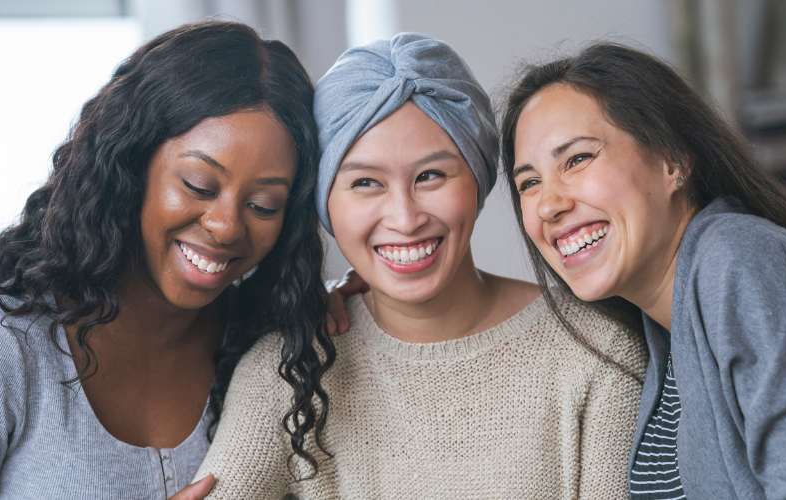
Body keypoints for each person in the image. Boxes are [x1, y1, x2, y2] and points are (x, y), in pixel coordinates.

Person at [0, 22, 348, 500]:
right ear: (132, 165)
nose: (227, 226)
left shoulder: (274, 351)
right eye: (197, 185)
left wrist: (366, 302)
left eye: (262, 206)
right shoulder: (4, 345)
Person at [194, 33, 647, 499]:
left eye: (430, 175)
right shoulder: (288, 368)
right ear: (324, 204)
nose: (405, 219)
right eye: (366, 182)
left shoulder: (597, 350)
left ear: (477, 178)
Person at [502, 42, 786, 499]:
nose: (548, 204)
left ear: (673, 161)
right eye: (529, 183)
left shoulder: (737, 260)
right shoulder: (664, 331)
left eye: (578, 159)